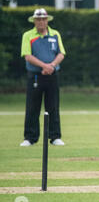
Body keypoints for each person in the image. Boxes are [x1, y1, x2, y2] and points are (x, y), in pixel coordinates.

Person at [20, 8, 66, 147]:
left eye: (43, 19)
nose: (41, 22)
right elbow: (27, 56)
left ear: (47, 20)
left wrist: (51, 65)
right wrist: (44, 66)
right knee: (32, 107)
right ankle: (30, 137)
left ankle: (55, 136)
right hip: (35, 75)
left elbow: (61, 53)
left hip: (52, 75)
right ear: (34, 21)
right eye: (38, 19)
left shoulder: (55, 34)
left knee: (53, 106)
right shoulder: (28, 35)